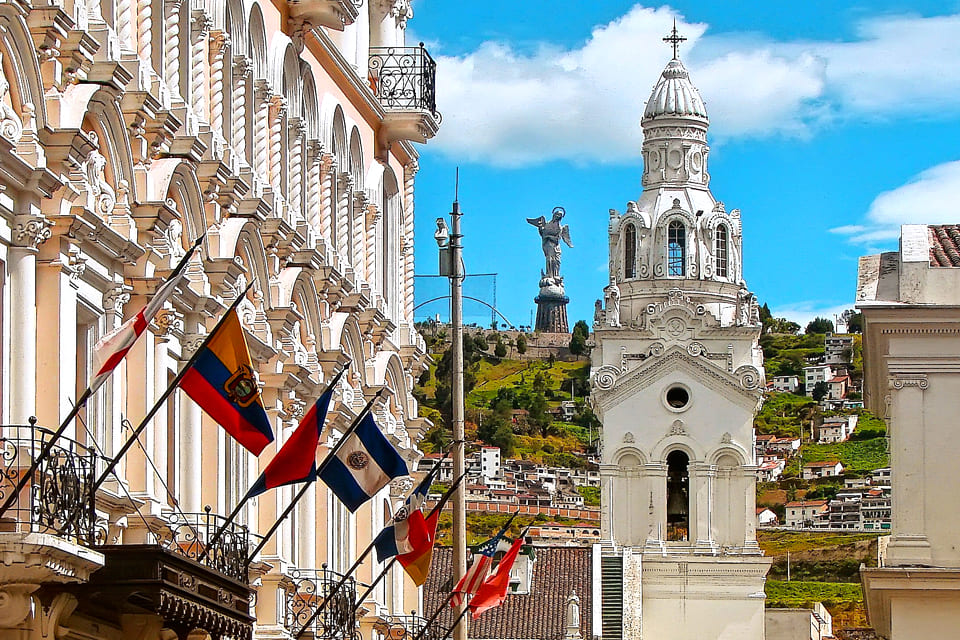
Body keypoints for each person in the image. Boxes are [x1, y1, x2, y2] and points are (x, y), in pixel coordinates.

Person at [526, 206, 573, 282]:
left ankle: (556, 275)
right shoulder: (547, 224)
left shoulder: (560, 228)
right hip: (548, 245)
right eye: (557, 214)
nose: (558, 216)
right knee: (549, 259)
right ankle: (549, 274)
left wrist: (549, 237)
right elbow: (542, 234)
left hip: (555, 247)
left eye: (560, 216)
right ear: (554, 215)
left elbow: (557, 240)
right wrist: (540, 228)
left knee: (556, 261)